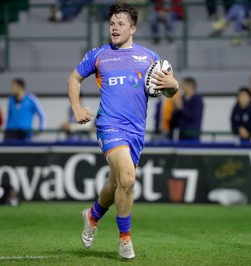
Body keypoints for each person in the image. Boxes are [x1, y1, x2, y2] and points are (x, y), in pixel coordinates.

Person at [67, 2, 178, 259]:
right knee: (128, 178)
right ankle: (125, 239)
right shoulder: (98, 55)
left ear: (133, 28)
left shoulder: (150, 58)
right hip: (109, 126)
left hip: (136, 132)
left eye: (121, 24)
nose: (115, 28)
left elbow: (169, 91)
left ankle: (92, 215)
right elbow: (74, 78)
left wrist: (174, 84)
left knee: (116, 183)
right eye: (112, 23)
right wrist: (76, 107)